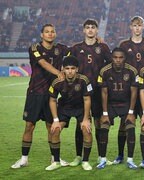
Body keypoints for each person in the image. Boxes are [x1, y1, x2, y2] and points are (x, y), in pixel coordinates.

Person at [11, 24, 70, 169]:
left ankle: (55, 159)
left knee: (52, 127)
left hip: (51, 94)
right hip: (35, 93)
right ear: (42, 35)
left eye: (52, 31)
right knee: (29, 126)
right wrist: (58, 72)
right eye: (47, 32)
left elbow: (75, 53)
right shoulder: (34, 48)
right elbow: (43, 63)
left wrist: (97, 39)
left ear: (55, 34)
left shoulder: (61, 49)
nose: (50, 34)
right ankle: (24, 159)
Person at [70, 18, 111, 166]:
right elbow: (69, 67)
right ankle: (78, 156)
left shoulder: (103, 47)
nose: (90, 30)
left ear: (97, 30)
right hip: (80, 92)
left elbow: (110, 65)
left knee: (99, 123)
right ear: (83, 30)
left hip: (98, 92)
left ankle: (102, 156)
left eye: (93, 27)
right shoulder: (75, 48)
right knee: (80, 124)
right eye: (87, 27)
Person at [114, 16, 144, 164]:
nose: (137, 28)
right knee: (124, 123)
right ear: (130, 27)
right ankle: (120, 155)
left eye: (140, 25)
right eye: (135, 25)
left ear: (143, 27)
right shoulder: (124, 44)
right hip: (128, 89)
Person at [46, 56, 93, 171]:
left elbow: (87, 100)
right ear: (63, 69)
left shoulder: (84, 80)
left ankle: (85, 161)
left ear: (77, 69)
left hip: (81, 108)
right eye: (67, 68)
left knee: (86, 130)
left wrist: (86, 119)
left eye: (72, 68)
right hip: (64, 108)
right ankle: (56, 162)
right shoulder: (57, 82)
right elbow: (52, 100)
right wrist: (56, 120)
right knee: (55, 130)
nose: (70, 71)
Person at [97, 47, 139, 169]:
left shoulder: (132, 71)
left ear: (125, 58)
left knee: (130, 128)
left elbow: (134, 92)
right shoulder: (104, 71)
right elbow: (104, 93)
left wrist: (131, 112)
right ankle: (103, 159)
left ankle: (129, 160)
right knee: (103, 127)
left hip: (126, 104)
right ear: (111, 58)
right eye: (115, 57)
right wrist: (105, 113)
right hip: (111, 104)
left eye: (121, 58)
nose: (118, 60)